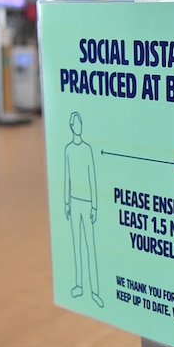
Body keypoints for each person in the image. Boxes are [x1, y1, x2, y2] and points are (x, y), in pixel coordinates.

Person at [64, 112, 103, 308]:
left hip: (87, 203)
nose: (78, 126)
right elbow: (67, 177)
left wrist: (95, 205)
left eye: (80, 123)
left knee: (90, 247)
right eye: (76, 124)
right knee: (76, 245)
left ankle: (95, 291)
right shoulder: (68, 150)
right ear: (72, 127)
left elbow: (92, 178)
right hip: (74, 201)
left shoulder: (87, 150)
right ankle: (79, 285)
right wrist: (65, 203)